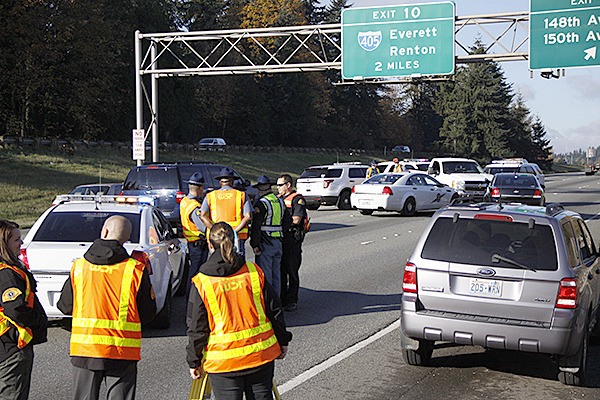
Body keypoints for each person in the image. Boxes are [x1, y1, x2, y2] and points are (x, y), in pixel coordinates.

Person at [187, 222, 292, 400]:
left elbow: (197, 326)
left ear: (210, 244)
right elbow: (274, 310)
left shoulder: (202, 282)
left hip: (224, 363)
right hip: (259, 356)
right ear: (234, 241)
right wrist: (282, 341)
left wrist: (194, 361)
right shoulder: (252, 271)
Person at [58, 215, 156, 400]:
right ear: (126, 239)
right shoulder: (135, 270)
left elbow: (65, 306)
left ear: (104, 232)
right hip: (122, 350)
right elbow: (148, 313)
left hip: (85, 349)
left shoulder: (79, 267)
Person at [0, 220, 47, 400]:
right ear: (4, 243)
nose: (21, 243)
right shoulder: (7, 274)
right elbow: (16, 309)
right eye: (17, 239)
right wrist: (38, 320)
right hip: (12, 347)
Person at [201, 167, 253, 256]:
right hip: (237, 237)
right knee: (237, 264)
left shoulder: (210, 196)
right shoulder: (241, 195)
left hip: (217, 238)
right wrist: (234, 231)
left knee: (217, 263)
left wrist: (215, 230)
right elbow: (248, 216)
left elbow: (203, 215)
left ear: (220, 182)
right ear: (232, 182)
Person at [250, 175, 286, 297]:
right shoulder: (279, 201)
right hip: (278, 242)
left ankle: (268, 305)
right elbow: (287, 221)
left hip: (266, 243)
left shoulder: (262, 204)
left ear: (259, 189)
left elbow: (256, 225)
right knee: (276, 275)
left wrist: (254, 244)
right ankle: (277, 303)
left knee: (265, 276)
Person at [276, 174, 307, 312]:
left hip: (292, 239)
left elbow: (296, 219)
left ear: (288, 185)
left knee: (291, 270)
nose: (278, 188)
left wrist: (280, 226)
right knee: (281, 270)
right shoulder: (278, 199)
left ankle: (292, 300)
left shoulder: (297, 199)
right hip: (281, 239)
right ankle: (282, 298)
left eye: (280, 185)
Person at [180, 172, 209, 297]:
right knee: (196, 275)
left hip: (191, 243)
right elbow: (203, 227)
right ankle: (192, 300)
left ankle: (190, 299)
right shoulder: (195, 207)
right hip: (198, 245)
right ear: (200, 188)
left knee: (193, 273)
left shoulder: (185, 201)